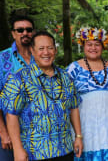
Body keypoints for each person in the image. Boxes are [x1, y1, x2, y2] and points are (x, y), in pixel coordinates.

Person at [0, 31, 83, 160]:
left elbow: (74, 107)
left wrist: (78, 136)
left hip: (65, 149)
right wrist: (17, 149)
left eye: (50, 48)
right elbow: (11, 115)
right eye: (41, 48)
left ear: (55, 51)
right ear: (32, 51)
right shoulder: (19, 79)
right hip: (35, 152)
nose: (46, 52)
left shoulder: (66, 77)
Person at [67, 27, 108, 160]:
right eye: (89, 44)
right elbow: (67, 101)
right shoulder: (73, 69)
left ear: (103, 47)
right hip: (85, 129)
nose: (93, 48)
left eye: (97, 44)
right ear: (83, 46)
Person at [0, 15, 35, 161]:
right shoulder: (2, 59)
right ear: (13, 33)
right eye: (20, 30)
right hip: (11, 131)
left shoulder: (41, 56)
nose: (25, 33)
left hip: (39, 134)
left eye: (28, 29)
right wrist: (3, 133)